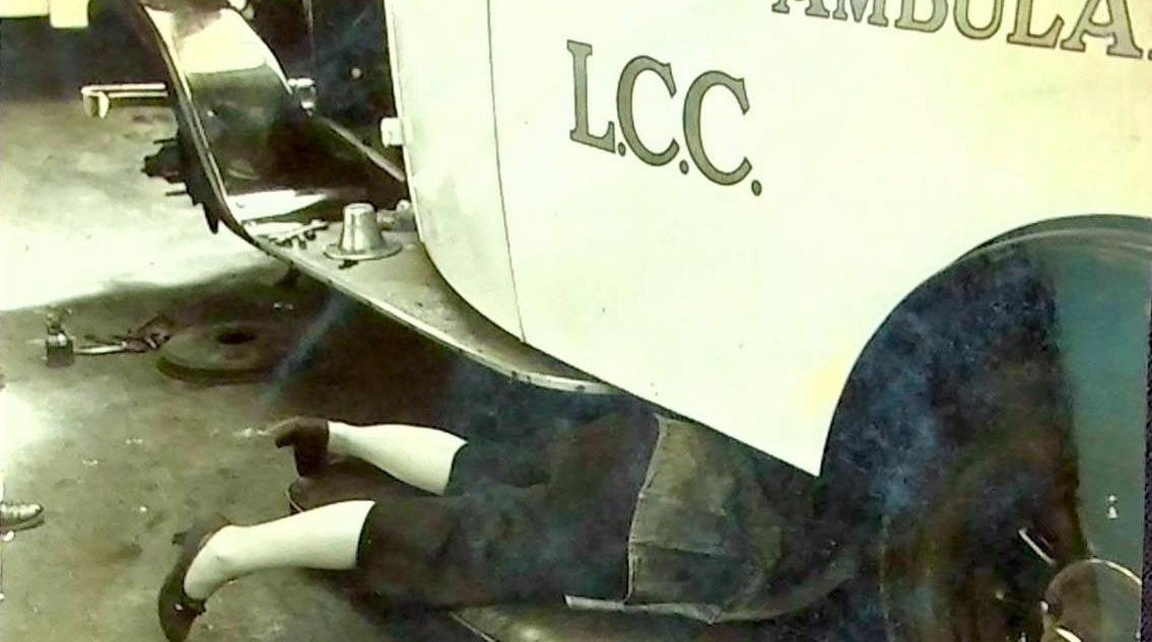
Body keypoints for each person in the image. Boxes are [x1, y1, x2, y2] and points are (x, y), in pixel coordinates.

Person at [156, 248, 1079, 641]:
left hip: (659, 444)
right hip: (664, 520)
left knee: (488, 469)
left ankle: (338, 436)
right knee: (451, 541)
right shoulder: (959, 432)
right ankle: (226, 554)